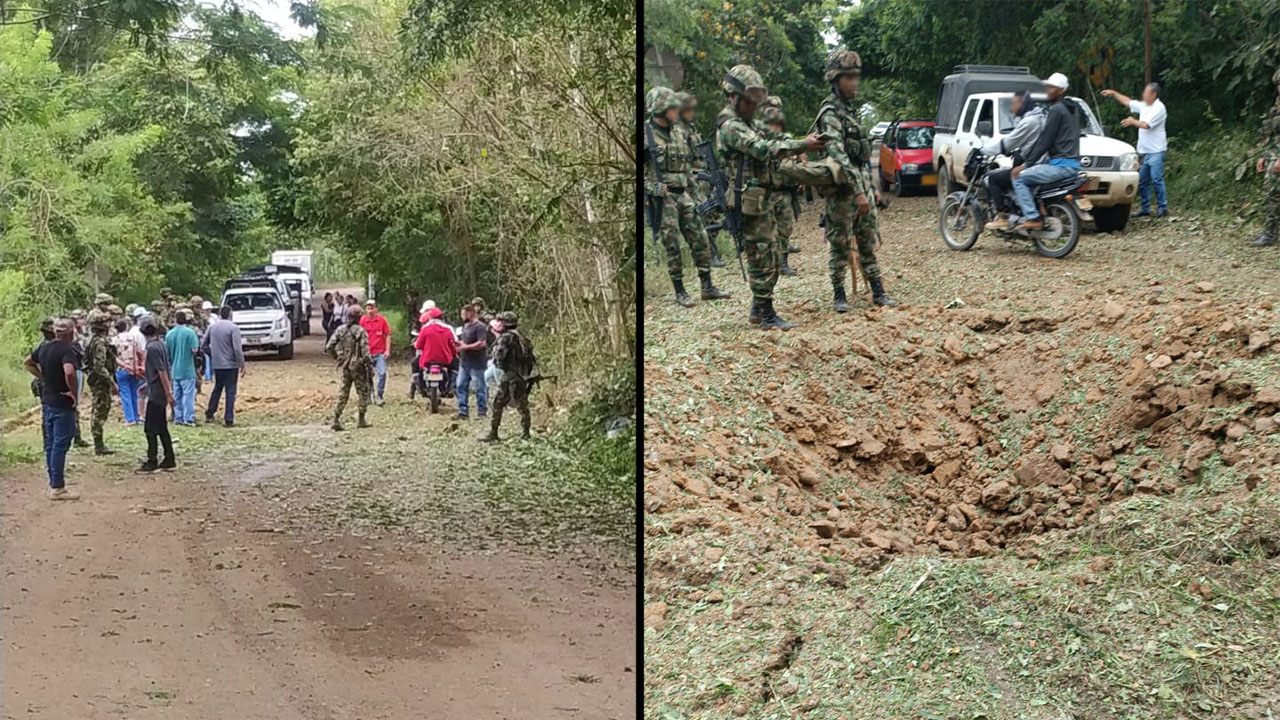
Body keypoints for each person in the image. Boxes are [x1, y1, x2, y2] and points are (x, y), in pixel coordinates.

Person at [716, 66, 826, 329]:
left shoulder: (749, 123)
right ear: (734, 97)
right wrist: (801, 145)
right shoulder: (730, 126)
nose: (754, 107)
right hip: (749, 199)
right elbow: (761, 148)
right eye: (749, 102)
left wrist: (804, 140)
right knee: (762, 254)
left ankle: (759, 306)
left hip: (763, 196)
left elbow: (773, 137)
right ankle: (766, 313)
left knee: (774, 252)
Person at [816, 48, 899, 312]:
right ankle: (839, 295)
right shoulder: (830, 113)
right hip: (843, 193)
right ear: (835, 79)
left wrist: (871, 189)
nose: (855, 82)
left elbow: (862, 159)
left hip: (861, 189)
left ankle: (878, 292)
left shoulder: (850, 112)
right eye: (848, 77)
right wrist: (858, 192)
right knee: (840, 246)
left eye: (856, 76)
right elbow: (838, 154)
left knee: (867, 242)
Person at [644, 86, 732, 308]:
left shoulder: (679, 134)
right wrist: (653, 188)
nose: (677, 112)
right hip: (663, 201)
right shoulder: (646, 136)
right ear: (661, 109)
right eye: (673, 108)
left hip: (684, 195)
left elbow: (688, 166)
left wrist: (696, 194)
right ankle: (680, 291)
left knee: (700, 239)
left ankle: (707, 286)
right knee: (672, 244)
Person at [1010, 72, 1082, 231]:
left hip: (1060, 166)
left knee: (1018, 178)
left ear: (1061, 90)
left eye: (1052, 88)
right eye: (1048, 87)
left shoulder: (1056, 109)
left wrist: (1025, 164)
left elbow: (1045, 141)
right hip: (1074, 165)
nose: (1048, 90)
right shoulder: (1073, 109)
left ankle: (1033, 217)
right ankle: (1040, 209)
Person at [25, 318, 80, 500]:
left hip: (47, 401)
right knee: (60, 444)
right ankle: (57, 487)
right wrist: (73, 392)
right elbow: (69, 371)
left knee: (50, 443)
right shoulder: (66, 350)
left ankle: (53, 482)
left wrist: (43, 377)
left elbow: (28, 362)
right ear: (71, 333)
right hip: (62, 402)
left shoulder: (44, 347)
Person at [983, 91, 1046, 230]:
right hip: (1041, 162)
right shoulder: (1041, 118)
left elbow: (1010, 141)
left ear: (1022, 104)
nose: (1012, 107)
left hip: (1031, 166)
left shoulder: (1029, 122)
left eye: (1014, 103)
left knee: (993, 178)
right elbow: (1029, 142)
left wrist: (984, 150)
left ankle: (1002, 217)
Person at [1102, 83, 1168, 217]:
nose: (1143, 95)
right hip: (1145, 151)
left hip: (1156, 150)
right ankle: (1145, 208)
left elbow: (1146, 125)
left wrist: (1132, 121)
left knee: (1156, 179)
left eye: (1146, 92)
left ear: (1154, 95)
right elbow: (1128, 102)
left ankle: (1162, 207)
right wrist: (1114, 93)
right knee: (1143, 181)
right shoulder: (1145, 105)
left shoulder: (1159, 108)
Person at [758, 96, 800, 277]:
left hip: (783, 189)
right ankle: (769, 263)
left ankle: (783, 263)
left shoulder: (782, 134)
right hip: (766, 190)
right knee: (767, 231)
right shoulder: (757, 135)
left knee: (785, 227)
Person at [481, 311, 536, 442]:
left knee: (498, 403)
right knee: (522, 405)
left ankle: (494, 433)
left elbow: (499, 356)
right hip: (522, 375)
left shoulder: (505, 337)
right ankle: (526, 433)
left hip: (510, 375)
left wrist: (498, 364)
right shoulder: (520, 335)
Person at [138, 316, 176, 472]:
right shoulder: (160, 344)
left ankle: (152, 460)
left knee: (150, 428)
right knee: (161, 426)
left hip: (157, 393)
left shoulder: (152, 348)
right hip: (156, 389)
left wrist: (169, 393)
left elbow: (161, 372)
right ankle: (169, 458)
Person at [326, 305, 373, 430]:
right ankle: (361, 419)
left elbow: (329, 347)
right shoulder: (361, 331)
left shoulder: (341, 330)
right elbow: (366, 353)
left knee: (343, 392)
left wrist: (338, 357)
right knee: (363, 392)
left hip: (346, 366)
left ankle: (336, 418)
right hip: (358, 366)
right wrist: (370, 367)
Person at [1250, 67, 1280, 247]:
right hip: (1273, 154)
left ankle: (1270, 233)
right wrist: (1264, 155)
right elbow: (1271, 133)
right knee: (1272, 194)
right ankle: (1270, 232)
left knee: (1273, 194)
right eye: (1277, 84)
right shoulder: (1277, 104)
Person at [202, 306, 246, 426]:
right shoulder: (233, 328)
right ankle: (229, 418)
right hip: (231, 365)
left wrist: (213, 355)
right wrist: (241, 363)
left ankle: (210, 412)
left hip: (217, 364)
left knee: (217, 388)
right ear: (230, 314)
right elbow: (237, 348)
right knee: (230, 391)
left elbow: (204, 344)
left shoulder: (212, 327)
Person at [83, 309, 118, 455]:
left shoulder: (91, 340)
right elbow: (99, 366)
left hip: (96, 379)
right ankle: (99, 445)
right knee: (100, 410)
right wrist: (111, 382)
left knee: (98, 408)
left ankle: (99, 443)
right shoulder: (99, 343)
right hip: (100, 381)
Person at [165, 310, 200, 426]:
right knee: (188, 395)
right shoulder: (190, 333)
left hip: (175, 370)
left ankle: (178, 417)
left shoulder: (169, 334)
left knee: (177, 395)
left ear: (175, 320)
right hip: (188, 369)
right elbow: (195, 350)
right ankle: (188, 418)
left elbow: (167, 353)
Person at [454, 304, 489, 420]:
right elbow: (465, 343)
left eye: (463, 314)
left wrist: (466, 347)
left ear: (470, 314)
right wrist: (459, 344)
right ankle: (463, 411)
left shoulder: (480, 327)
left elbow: (482, 343)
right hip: (465, 363)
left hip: (477, 363)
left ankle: (482, 412)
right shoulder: (466, 326)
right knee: (460, 386)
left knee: (479, 387)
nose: (461, 317)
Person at [359, 299, 392, 405]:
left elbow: (387, 335)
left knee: (382, 373)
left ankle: (379, 396)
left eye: (372, 308)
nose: (370, 311)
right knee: (367, 375)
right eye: (368, 308)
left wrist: (387, 350)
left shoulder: (382, 320)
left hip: (380, 353)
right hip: (367, 353)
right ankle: (368, 395)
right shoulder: (363, 321)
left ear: (376, 309)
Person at [112, 318, 143, 425]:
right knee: (134, 392)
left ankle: (130, 419)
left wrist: (124, 365)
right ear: (127, 327)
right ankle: (136, 416)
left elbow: (113, 357)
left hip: (121, 369)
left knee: (125, 393)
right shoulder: (133, 338)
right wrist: (139, 365)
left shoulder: (114, 340)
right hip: (134, 368)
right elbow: (140, 352)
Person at [414, 306, 457, 385]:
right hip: (444, 359)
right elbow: (452, 345)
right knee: (455, 367)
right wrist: (454, 353)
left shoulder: (425, 329)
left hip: (427, 358)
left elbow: (418, 346)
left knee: (416, 366)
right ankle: (451, 386)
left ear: (430, 317)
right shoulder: (447, 329)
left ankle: (421, 386)